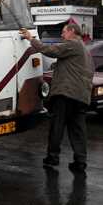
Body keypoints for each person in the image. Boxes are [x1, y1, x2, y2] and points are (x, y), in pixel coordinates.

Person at [19, 24, 94, 174]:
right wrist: (57, 67)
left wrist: (30, 38)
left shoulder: (72, 44)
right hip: (81, 97)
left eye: (64, 32)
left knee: (57, 126)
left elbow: (50, 50)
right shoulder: (85, 51)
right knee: (78, 131)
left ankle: (52, 158)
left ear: (72, 31)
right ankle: (80, 162)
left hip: (66, 95)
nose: (62, 35)